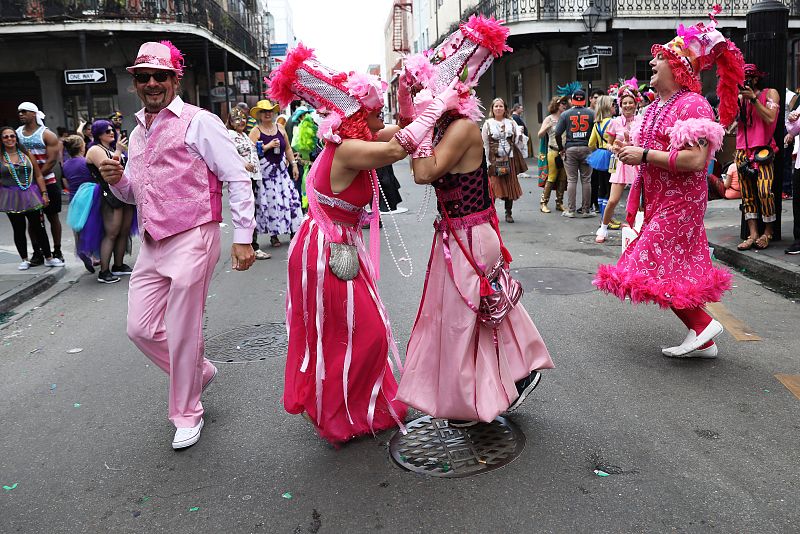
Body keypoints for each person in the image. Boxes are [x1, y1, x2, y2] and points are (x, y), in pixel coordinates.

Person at [270, 43, 457, 444]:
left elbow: (402, 126)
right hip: (326, 250)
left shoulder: (355, 136)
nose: (380, 118)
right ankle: (338, 412)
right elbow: (397, 146)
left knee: (349, 330)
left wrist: (409, 92)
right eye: (375, 112)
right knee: (362, 331)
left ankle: (353, 406)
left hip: (335, 243)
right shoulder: (350, 148)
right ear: (358, 114)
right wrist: (439, 105)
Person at [394, 15, 553, 426]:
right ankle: (503, 381)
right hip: (455, 234)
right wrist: (412, 114)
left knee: (470, 317)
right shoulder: (444, 126)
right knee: (466, 316)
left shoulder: (463, 128)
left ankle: (507, 382)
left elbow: (423, 173)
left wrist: (423, 126)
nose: (418, 93)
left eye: (422, 89)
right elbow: (406, 141)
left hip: (470, 234)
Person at [98, 41, 256, 449]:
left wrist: (243, 237)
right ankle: (197, 371)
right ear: (135, 82)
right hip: (153, 241)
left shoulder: (199, 121)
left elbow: (236, 177)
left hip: (194, 235)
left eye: (160, 75)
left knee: (183, 330)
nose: (152, 83)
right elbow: (136, 194)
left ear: (175, 79)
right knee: (139, 328)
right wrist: (117, 179)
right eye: (143, 76)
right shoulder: (136, 133)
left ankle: (187, 412)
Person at [595, 6, 744, 358]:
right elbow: (650, 152)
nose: (651, 64)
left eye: (658, 60)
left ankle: (703, 324)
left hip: (681, 202)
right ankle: (702, 338)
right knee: (671, 268)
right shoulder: (659, 105)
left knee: (649, 264)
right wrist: (628, 149)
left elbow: (695, 160)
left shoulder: (692, 105)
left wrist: (642, 156)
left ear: (677, 68)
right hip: (661, 201)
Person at [0, 126, 63, 269]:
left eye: (12, 136)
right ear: (1, 140)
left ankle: (48, 257)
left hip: (31, 194)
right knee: (18, 228)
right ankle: (24, 259)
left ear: (16, 138)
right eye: (6, 137)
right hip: (11, 198)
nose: (10, 139)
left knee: (39, 226)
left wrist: (44, 193)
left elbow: (38, 175)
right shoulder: (1, 156)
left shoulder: (26, 153)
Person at [734, 63, 780, 251]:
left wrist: (753, 99)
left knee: (764, 191)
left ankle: (768, 231)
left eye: (748, 78)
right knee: (747, 195)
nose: (744, 82)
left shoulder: (770, 93)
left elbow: (770, 117)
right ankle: (752, 234)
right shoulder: (738, 98)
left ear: (755, 79)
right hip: (742, 151)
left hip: (763, 151)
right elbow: (727, 122)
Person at [84, 119, 137, 283]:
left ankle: (119, 265)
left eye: (112, 130)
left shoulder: (111, 148)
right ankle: (104, 271)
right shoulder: (94, 150)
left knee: (124, 231)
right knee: (111, 233)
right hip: (108, 195)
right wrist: (119, 151)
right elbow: (109, 170)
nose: (112, 133)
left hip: (124, 193)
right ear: (98, 133)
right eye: (107, 131)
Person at [248, 99, 303, 248]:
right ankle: (274, 235)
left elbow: (288, 149)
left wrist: (294, 165)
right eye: (264, 112)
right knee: (271, 203)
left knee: (291, 199)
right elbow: (250, 153)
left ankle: (294, 231)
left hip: (282, 170)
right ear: (259, 114)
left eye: (270, 111)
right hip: (266, 173)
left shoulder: (281, 127)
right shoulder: (255, 131)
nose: (267, 114)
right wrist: (268, 146)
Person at [17, 102, 64, 263]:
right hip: (27, 184)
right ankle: (37, 251)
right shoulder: (16, 134)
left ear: (33, 113)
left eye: (24, 111)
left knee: (52, 217)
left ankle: (57, 250)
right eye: (19, 112)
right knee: (32, 219)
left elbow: (51, 161)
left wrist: (37, 176)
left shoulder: (47, 134)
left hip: (48, 182)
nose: (21, 114)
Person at [596, 80, 642, 242]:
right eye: (624, 103)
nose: (628, 106)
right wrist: (612, 147)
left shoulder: (642, 122)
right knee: (613, 199)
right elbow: (609, 142)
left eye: (630, 102)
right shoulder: (614, 122)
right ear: (620, 105)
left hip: (638, 162)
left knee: (641, 200)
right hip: (621, 162)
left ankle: (637, 228)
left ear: (636, 104)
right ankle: (603, 228)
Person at [227, 106, 270, 259]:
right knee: (246, 211)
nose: (241, 122)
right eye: (237, 119)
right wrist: (242, 163)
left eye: (243, 119)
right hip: (241, 178)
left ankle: (251, 245)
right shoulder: (229, 136)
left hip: (253, 177)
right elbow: (227, 153)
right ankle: (251, 246)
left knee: (253, 210)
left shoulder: (244, 136)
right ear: (231, 122)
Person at [555, 89, 595, 218]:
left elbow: (557, 133)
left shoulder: (565, 114)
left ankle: (571, 210)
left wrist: (561, 148)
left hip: (571, 149)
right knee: (586, 180)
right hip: (587, 148)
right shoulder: (591, 113)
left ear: (572, 100)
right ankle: (586, 210)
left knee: (571, 180)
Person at [482, 97, 523, 223]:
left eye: (501, 106)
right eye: (496, 106)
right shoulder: (487, 123)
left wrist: (519, 135)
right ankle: (491, 214)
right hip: (494, 160)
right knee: (493, 188)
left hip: (509, 158)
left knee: (509, 187)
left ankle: (508, 213)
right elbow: (485, 144)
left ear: (505, 108)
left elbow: (517, 141)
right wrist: (487, 162)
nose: (498, 108)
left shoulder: (511, 123)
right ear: (492, 109)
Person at [60, 134, 97, 273]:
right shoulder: (86, 162)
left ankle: (81, 250)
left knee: (78, 228)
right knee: (92, 226)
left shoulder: (66, 164)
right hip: (88, 197)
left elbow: (67, 181)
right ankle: (94, 255)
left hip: (73, 198)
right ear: (82, 147)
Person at [538, 96, 568, 213]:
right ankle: (543, 203)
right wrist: (547, 127)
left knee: (563, 178)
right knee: (551, 177)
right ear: (556, 105)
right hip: (553, 151)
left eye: (566, 103)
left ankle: (559, 203)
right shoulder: (549, 119)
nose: (565, 105)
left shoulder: (566, 117)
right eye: (562, 103)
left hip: (565, 152)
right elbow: (540, 135)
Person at [588, 94, 615, 214]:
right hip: (611, 156)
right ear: (608, 107)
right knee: (610, 186)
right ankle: (608, 218)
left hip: (599, 155)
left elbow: (590, 144)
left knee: (601, 186)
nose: (615, 107)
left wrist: (598, 151)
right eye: (613, 104)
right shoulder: (613, 122)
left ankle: (603, 216)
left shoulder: (597, 124)